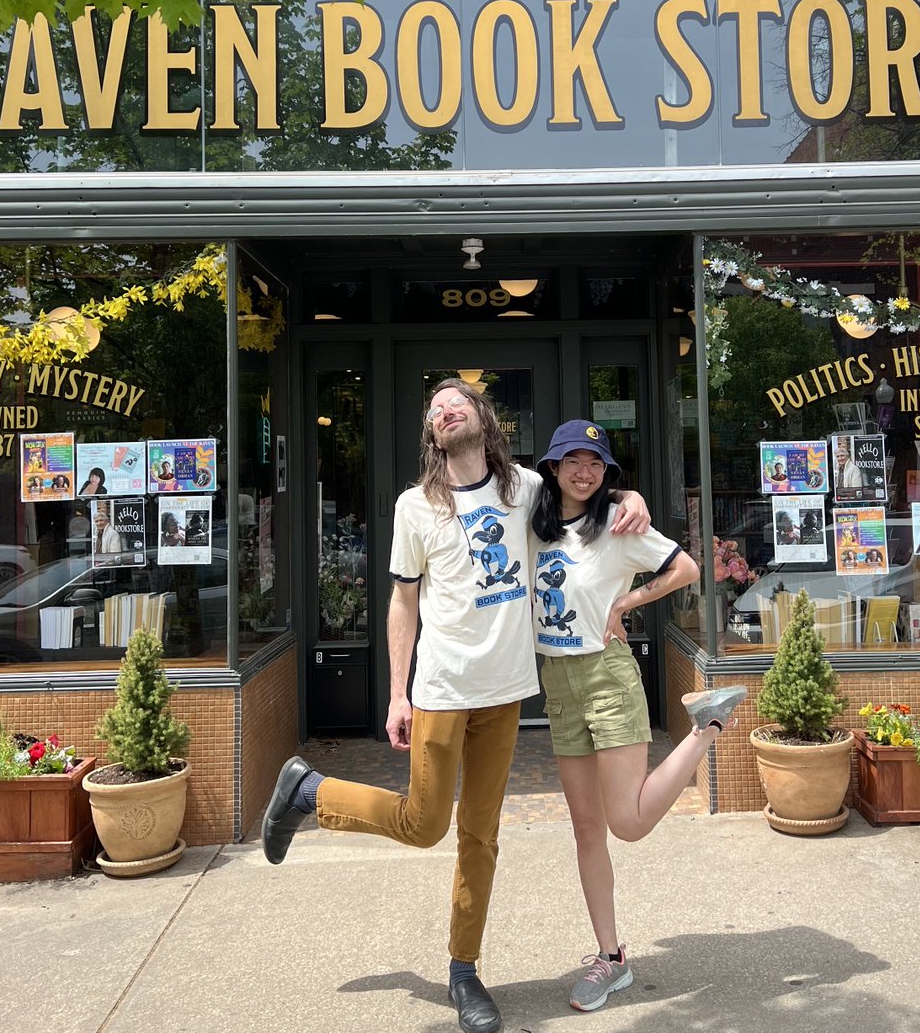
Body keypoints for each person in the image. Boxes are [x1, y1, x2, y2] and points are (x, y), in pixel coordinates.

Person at [261, 379, 650, 1033]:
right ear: (432, 431)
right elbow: (403, 601)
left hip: (503, 695)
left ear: (483, 418)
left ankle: (464, 971)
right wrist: (395, 692)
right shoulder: (416, 507)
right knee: (424, 822)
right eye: (434, 408)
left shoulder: (525, 489)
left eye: (456, 402)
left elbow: (588, 496)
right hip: (440, 689)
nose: (444, 410)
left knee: (481, 836)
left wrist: (630, 495)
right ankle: (310, 793)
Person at [529, 420, 746, 1012]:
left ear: (606, 473)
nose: (583, 471)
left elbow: (686, 569)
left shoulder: (619, 526)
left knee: (626, 822)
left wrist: (627, 600)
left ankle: (708, 727)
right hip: (559, 683)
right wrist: (630, 494)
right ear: (551, 467)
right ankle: (612, 957)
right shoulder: (537, 521)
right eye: (572, 460)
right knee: (584, 827)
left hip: (607, 677)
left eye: (595, 463)